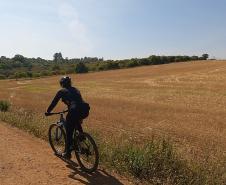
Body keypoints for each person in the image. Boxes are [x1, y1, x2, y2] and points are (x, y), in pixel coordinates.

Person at [46, 76, 84, 159]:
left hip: (74, 111)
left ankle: (68, 153)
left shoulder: (61, 91)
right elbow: (76, 101)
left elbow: (54, 102)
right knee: (76, 120)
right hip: (84, 110)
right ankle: (81, 136)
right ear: (70, 83)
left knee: (69, 132)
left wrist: (48, 111)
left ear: (62, 84)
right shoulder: (75, 89)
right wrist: (69, 108)